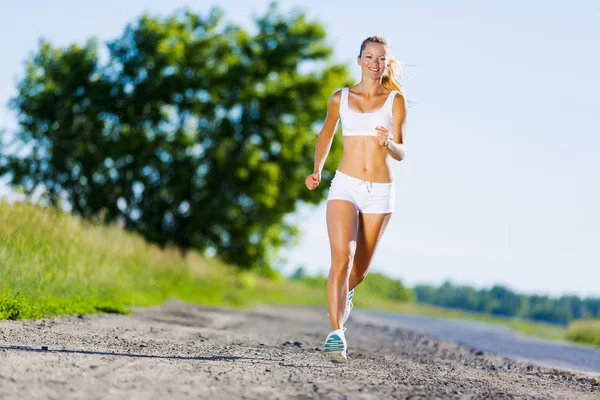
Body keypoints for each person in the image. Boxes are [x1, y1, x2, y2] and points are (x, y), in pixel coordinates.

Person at [304, 36, 407, 363]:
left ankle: (345, 294)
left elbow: (402, 152)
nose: (375, 63)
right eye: (369, 57)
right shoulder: (340, 98)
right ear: (359, 59)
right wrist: (317, 170)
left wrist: (389, 143)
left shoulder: (395, 101)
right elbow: (326, 134)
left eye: (381, 59)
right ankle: (337, 333)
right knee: (341, 258)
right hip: (345, 185)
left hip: (379, 192)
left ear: (386, 64)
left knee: (358, 271)